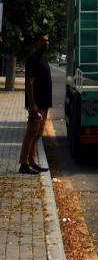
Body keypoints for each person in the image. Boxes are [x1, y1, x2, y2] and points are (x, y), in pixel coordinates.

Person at [19, 32, 51, 174]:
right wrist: (32, 104)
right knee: (31, 132)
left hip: (44, 103)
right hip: (36, 104)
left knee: (38, 134)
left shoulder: (43, 58)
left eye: (47, 40)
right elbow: (29, 83)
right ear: (37, 42)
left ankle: (32, 162)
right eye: (43, 40)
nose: (46, 43)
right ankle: (24, 164)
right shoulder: (32, 59)